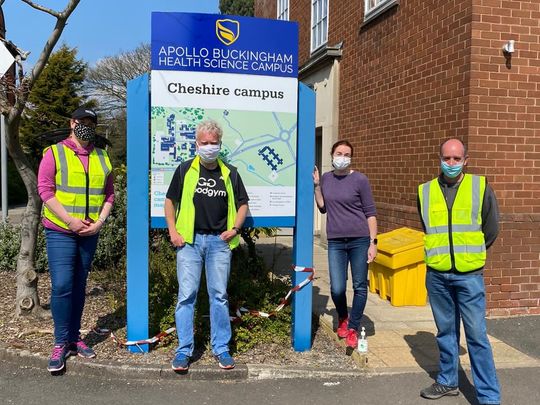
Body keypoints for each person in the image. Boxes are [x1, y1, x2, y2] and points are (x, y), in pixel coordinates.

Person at [418, 138, 500, 405]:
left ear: (466, 160)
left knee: (476, 336)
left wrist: (469, 253)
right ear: (439, 159)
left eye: (456, 158)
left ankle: (488, 397)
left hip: (469, 275)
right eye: (446, 158)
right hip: (438, 274)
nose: (450, 163)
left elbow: (491, 228)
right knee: (445, 332)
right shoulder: (425, 191)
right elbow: (427, 226)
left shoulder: (480, 186)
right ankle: (447, 381)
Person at [164, 119, 249, 371]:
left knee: (219, 296)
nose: (209, 147)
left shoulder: (230, 173)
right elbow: (170, 202)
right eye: (204, 143)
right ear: (196, 143)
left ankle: (221, 348)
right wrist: (173, 231)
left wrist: (235, 229)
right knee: (186, 296)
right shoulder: (184, 170)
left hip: (219, 243)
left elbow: (243, 204)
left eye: (214, 143)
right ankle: (184, 350)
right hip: (189, 242)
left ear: (220, 144)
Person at [38, 107, 114, 373]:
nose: (86, 126)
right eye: (82, 121)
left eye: (91, 122)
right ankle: (60, 342)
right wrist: (69, 220)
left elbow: (109, 195)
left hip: (89, 233)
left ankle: (74, 338)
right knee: (62, 285)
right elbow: (45, 191)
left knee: (80, 285)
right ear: (72, 123)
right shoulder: (55, 153)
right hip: (60, 229)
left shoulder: (103, 157)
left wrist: (100, 223)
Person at [313, 140, 378, 349]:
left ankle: (353, 327)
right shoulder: (326, 179)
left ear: (351, 157)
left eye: (347, 154)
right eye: (339, 153)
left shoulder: (360, 179)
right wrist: (316, 186)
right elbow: (323, 207)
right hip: (336, 241)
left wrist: (373, 242)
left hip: (359, 239)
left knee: (359, 285)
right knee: (338, 287)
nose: (343, 157)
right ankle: (342, 316)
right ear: (332, 155)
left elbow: (370, 213)